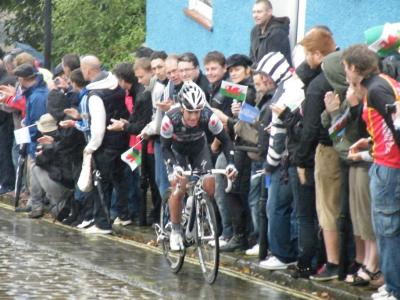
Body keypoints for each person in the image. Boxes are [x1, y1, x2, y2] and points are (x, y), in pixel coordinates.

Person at [342, 44, 400, 300]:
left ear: (355, 68)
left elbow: (397, 124)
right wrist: (369, 144)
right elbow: (387, 127)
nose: (345, 73)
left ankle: (394, 288)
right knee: (388, 230)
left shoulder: (376, 90)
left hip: (389, 170)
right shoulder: (383, 82)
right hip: (385, 162)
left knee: (387, 231)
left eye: (346, 68)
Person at [160, 81, 237, 251]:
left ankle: (192, 207)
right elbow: (164, 147)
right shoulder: (169, 119)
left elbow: (225, 141)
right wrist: (174, 166)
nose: (194, 117)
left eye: (197, 111)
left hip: (198, 149)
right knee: (179, 187)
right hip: (176, 151)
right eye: (190, 112)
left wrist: (231, 163)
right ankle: (175, 230)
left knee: (209, 186)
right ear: (182, 109)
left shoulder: (208, 116)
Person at [249, 0, 292, 65]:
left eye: (259, 12)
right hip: (258, 73)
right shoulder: (254, 31)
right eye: (253, 12)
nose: (255, 15)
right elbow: (251, 59)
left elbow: (272, 63)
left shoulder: (277, 33)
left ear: (269, 12)